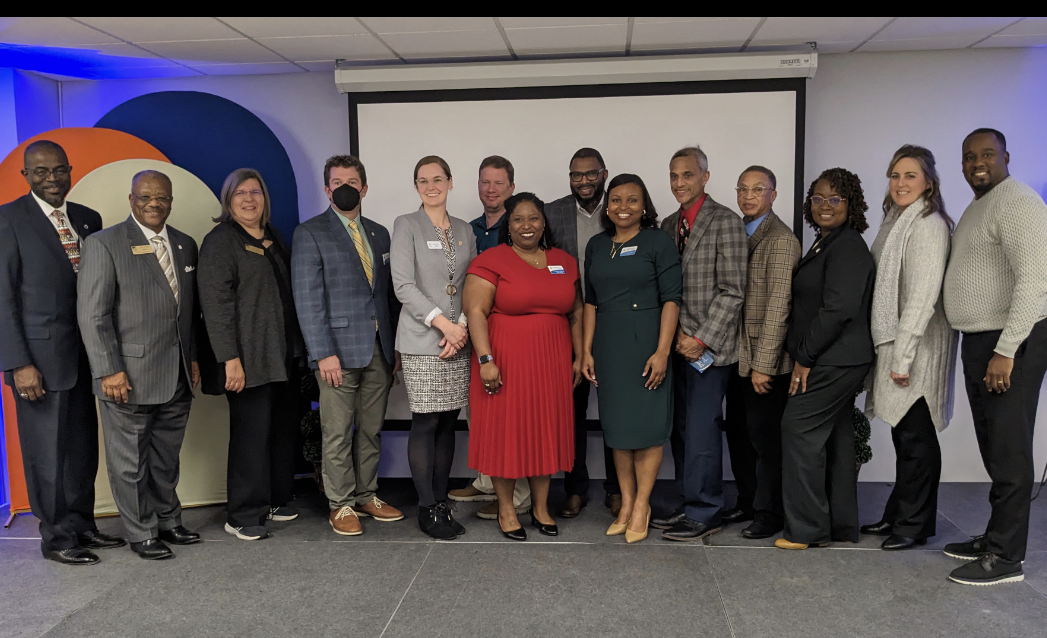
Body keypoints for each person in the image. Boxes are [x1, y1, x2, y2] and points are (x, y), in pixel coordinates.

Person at [0, 140, 125, 565]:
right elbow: (3, 299)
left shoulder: (88, 219)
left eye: (58, 170)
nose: (51, 179)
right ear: (26, 176)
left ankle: (82, 525)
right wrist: (19, 364)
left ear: (69, 170)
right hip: (38, 361)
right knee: (47, 453)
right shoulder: (9, 220)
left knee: (81, 448)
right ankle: (56, 538)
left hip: (86, 357)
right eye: (40, 172)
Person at [77, 170, 202, 560]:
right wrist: (107, 369)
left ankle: (168, 520)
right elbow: (93, 315)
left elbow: (188, 313)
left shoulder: (184, 244)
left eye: (162, 198)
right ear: (131, 199)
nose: (154, 204)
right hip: (126, 375)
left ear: (170, 201)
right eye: (146, 197)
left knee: (166, 458)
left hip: (177, 373)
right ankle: (141, 530)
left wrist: (193, 359)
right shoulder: (104, 243)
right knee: (129, 461)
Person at [942, 128, 1047, 586]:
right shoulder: (981, 204)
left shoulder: (1017, 201)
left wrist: (1006, 350)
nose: (977, 162)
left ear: (1006, 156)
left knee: (1008, 448)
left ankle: (1007, 559)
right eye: (969, 156)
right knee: (992, 445)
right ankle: (995, 537)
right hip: (983, 339)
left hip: (1012, 342)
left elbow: (1037, 280)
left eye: (987, 154)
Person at [292, 155, 403, 537]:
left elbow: (387, 296)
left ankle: (366, 494)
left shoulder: (379, 233)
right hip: (335, 352)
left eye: (353, 182)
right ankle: (340, 504)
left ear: (364, 188)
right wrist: (322, 352)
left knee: (371, 429)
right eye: (337, 182)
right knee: (337, 431)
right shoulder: (310, 233)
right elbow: (307, 299)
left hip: (379, 349)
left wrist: (396, 347)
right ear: (326, 189)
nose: (345, 188)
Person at [464, 192, 581, 540]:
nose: (526, 225)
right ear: (507, 225)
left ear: (544, 222)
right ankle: (506, 509)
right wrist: (486, 360)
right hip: (505, 360)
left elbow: (575, 312)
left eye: (533, 218)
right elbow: (475, 313)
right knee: (507, 434)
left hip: (551, 362)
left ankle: (541, 508)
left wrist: (578, 355)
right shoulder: (492, 259)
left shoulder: (563, 261)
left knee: (543, 433)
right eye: (518, 219)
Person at [198, 168, 307, 541]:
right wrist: (230, 359)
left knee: (280, 432)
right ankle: (243, 513)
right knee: (250, 436)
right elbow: (215, 306)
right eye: (240, 193)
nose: (249, 199)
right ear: (228, 201)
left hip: (284, 356)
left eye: (255, 192)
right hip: (247, 360)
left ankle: (274, 499)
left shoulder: (274, 237)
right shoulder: (220, 242)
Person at [862, 146, 957, 552]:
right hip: (898, 341)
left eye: (910, 176)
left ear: (929, 182)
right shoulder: (896, 220)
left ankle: (914, 525)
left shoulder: (928, 224)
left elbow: (921, 297)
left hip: (917, 347)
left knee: (916, 438)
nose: (900, 183)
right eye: (895, 175)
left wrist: (902, 356)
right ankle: (900, 512)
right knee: (905, 435)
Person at [775, 168, 874, 551]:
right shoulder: (826, 243)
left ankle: (805, 531)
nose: (825, 206)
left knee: (798, 430)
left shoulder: (847, 246)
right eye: (818, 198)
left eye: (835, 199)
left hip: (834, 359)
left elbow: (838, 310)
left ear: (851, 204)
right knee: (837, 436)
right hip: (838, 358)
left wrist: (804, 357)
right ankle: (841, 526)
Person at [582, 174, 682, 544]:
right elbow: (590, 301)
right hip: (609, 347)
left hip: (646, 344)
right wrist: (587, 351)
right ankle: (625, 504)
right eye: (617, 200)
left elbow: (672, 298)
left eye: (633, 200)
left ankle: (642, 505)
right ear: (608, 206)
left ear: (645, 206)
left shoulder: (657, 241)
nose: (624, 207)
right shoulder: (596, 245)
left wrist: (662, 351)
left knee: (647, 430)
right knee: (619, 432)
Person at [655, 146, 747, 542]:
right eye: (674, 176)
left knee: (703, 431)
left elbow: (732, 291)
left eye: (688, 175)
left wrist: (700, 338)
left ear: (705, 177)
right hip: (675, 345)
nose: (679, 183)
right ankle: (689, 501)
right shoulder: (667, 225)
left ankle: (707, 510)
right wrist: (674, 337)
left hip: (710, 349)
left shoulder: (725, 221)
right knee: (681, 429)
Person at [391, 155, 477, 540]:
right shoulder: (406, 225)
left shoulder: (463, 229)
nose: (431, 186)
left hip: (455, 339)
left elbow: (471, 281)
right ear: (416, 187)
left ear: (450, 182)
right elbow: (403, 285)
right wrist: (443, 323)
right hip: (423, 339)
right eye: (423, 180)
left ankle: (440, 500)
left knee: (448, 421)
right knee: (426, 420)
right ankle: (427, 507)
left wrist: (459, 328)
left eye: (437, 178)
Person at [450, 155, 532, 520]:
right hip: (477, 331)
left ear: (511, 187)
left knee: (515, 415)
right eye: (485, 182)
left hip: (514, 334)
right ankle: (487, 480)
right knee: (482, 411)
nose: (491, 189)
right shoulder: (468, 230)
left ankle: (519, 494)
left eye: (499, 183)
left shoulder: (525, 228)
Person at [724, 166, 801, 540]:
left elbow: (778, 307)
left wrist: (764, 366)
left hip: (763, 361)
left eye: (758, 189)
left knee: (764, 440)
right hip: (737, 355)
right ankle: (747, 500)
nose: (748, 195)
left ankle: (770, 514)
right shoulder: (738, 231)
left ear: (773, 194)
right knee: (739, 432)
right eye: (743, 189)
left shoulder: (782, 240)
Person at [545, 147, 622, 519]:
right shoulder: (552, 212)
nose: (584, 181)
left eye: (591, 174)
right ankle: (574, 488)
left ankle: (617, 489)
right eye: (576, 175)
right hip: (567, 327)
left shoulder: (621, 206)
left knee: (614, 411)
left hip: (614, 324)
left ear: (604, 174)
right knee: (571, 412)